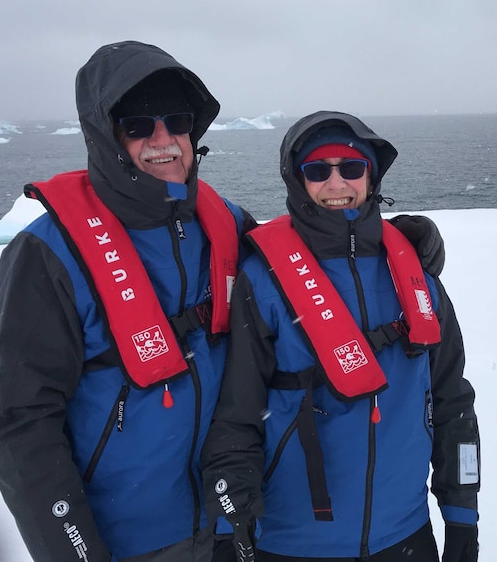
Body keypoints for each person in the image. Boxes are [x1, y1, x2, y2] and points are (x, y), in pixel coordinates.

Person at [0, 43, 444, 562]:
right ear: (104, 135)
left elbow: (306, 251)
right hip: (127, 542)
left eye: (176, 121)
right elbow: (17, 422)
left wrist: (398, 238)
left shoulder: (224, 221)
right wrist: (73, 549)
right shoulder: (50, 255)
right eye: (137, 126)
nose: (163, 140)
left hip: (234, 525)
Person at [202, 111, 480, 562]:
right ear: (298, 181)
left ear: (371, 176)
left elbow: (451, 402)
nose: (337, 185)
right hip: (292, 543)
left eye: (351, 168)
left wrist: (463, 517)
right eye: (318, 171)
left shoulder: (416, 277)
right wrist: (226, 524)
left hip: (406, 536)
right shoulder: (264, 281)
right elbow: (235, 415)